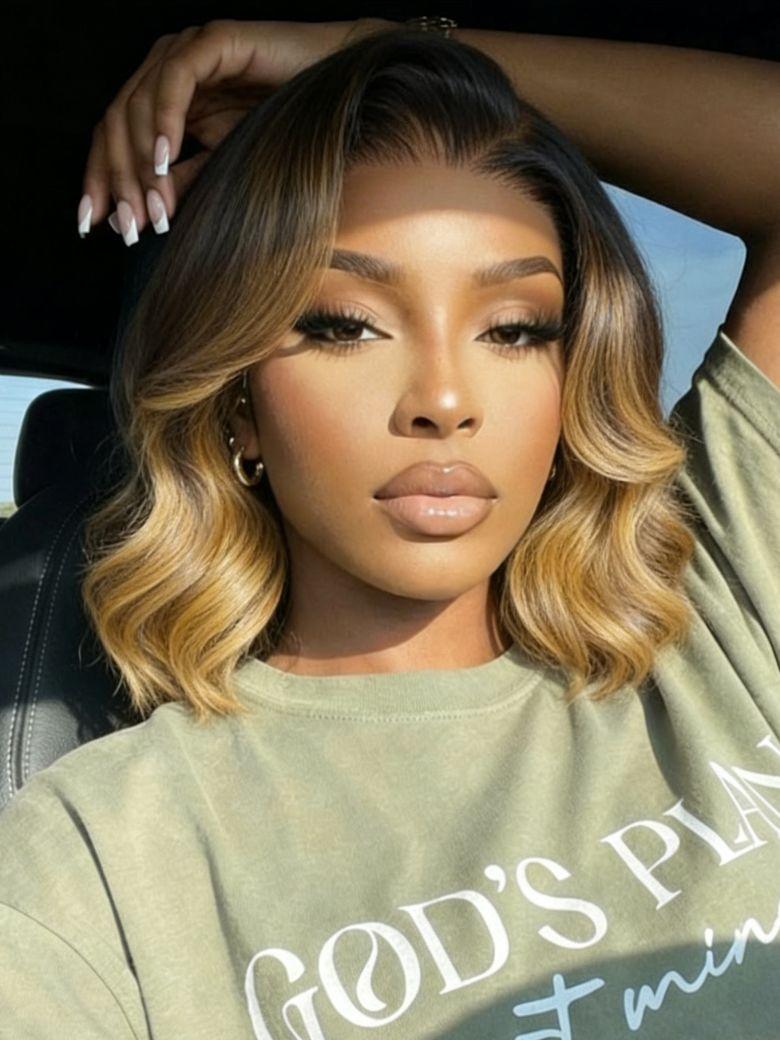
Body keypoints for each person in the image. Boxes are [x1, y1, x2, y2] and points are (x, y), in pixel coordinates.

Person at [2, 16, 779, 1040]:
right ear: (239, 405)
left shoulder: (715, 605)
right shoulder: (96, 864)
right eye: (345, 325)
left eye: (514, 329)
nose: (444, 399)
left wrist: (379, 47)